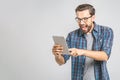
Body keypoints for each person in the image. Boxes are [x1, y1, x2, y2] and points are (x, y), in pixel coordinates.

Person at [52, 3, 114, 80]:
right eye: (79, 19)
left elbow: (105, 56)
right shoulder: (72, 35)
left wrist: (82, 52)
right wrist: (57, 55)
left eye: (85, 19)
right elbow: (61, 62)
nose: (81, 23)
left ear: (93, 17)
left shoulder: (106, 31)